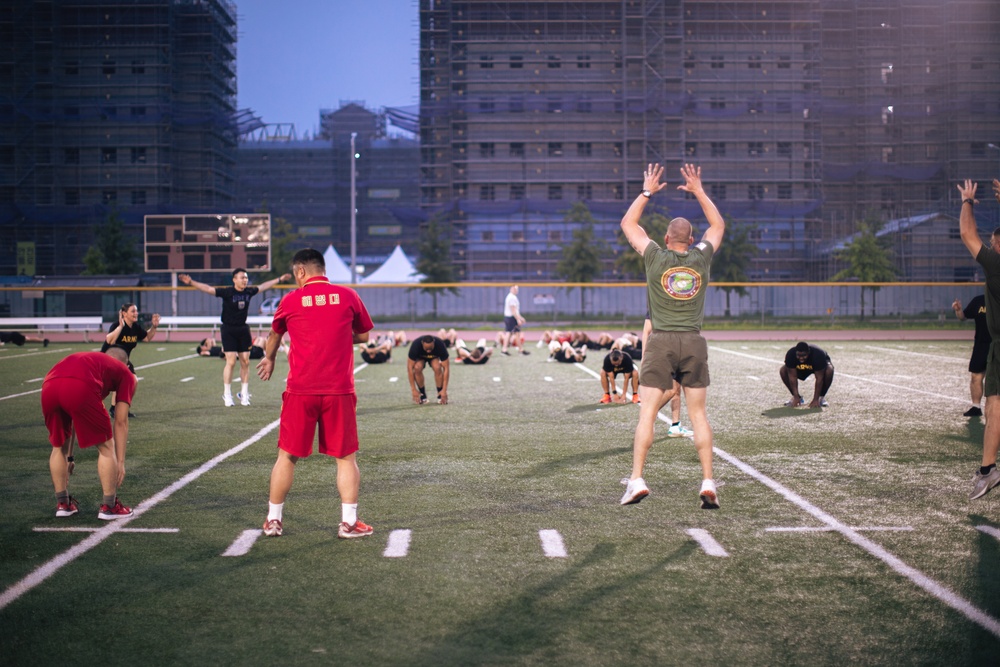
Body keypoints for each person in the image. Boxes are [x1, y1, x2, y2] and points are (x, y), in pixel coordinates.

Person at [618, 162, 725, 510]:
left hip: (661, 340)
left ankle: (636, 480)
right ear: (691, 240)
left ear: (666, 238)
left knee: (647, 414)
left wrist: (647, 190)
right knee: (698, 416)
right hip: (693, 341)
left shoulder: (654, 256)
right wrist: (698, 190)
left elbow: (628, 224)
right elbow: (718, 225)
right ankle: (708, 480)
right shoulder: (701, 257)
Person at [255, 248, 375, 538]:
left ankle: (273, 520)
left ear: (300, 272)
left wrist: (269, 359)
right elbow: (364, 336)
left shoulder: (291, 300)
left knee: (286, 456)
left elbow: (274, 336)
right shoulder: (347, 296)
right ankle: (348, 523)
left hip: (300, 390)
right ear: (322, 269)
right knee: (346, 458)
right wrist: (336, 334)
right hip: (338, 390)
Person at [41, 347, 136, 520]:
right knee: (107, 447)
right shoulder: (126, 373)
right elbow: (121, 421)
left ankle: (63, 504)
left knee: (58, 446)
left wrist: (70, 456)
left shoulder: (96, 363)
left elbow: (76, 414)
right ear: (126, 364)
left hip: (49, 384)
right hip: (80, 385)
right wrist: (121, 462)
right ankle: (110, 506)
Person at [180, 268, 290, 407]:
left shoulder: (248, 292)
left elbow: (263, 286)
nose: (245, 280)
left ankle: (244, 394)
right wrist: (191, 282)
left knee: (245, 361)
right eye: (242, 277)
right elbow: (207, 289)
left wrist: (279, 279)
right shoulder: (227, 292)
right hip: (228, 329)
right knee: (231, 361)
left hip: (243, 329)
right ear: (234, 279)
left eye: (246, 277)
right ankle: (227, 394)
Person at [958, 177, 1000, 500]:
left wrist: (967, 201)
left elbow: (966, 234)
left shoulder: (996, 265)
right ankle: (987, 470)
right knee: (994, 405)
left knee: (996, 406)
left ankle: (988, 470)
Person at [641, 316, 692, 438]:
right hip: (667, 352)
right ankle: (648, 415)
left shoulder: (679, 305)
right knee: (671, 389)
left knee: (676, 390)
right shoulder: (658, 306)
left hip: (679, 350)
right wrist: (644, 355)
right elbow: (646, 331)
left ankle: (675, 426)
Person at [953, 295, 991, 417]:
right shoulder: (979, 300)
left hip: (997, 344)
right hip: (981, 345)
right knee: (976, 376)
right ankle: (976, 407)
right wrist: (958, 310)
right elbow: (963, 317)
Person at [101, 302, 160, 372]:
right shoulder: (116, 325)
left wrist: (154, 327)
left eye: (136, 311)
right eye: (133, 311)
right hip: (107, 362)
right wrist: (121, 326)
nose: (136, 313)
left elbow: (147, 338)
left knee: (133, 380)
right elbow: (109, 341)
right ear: (124, 313)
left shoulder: (135, 327)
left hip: (123, 361)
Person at [780, 342, 834, 408]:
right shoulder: (791, 354)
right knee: (783, 370)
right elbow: (792, 377)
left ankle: (821, 398)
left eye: (803, 355)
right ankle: (798, 398)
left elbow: (819, 379)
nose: (801, 358)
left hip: (815, 367)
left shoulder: (818, 354)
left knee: (829, 370)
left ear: (808, 352)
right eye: (798, 355)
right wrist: (796, 396)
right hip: (800, 368)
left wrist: (815, 399)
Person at [407, 334, 450, 404]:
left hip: (434, 357)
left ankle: (440, 394)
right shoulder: (415, 345)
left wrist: (444, 390)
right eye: (426, 349)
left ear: (434, 343)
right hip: (420, 358)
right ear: (422, 344)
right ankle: (422, 395)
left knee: (437, 367)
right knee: (417, 368)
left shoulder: (440, 344)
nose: (428, 351)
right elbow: (410, 368)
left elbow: (446, 368)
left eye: (430, 348)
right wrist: (413, 389)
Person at [499, 285, 528, 355]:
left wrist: (520, 317)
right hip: (511, 318)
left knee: (511, 333)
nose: (516, 290)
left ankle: (506, 349)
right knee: (513, 333)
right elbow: (513, 310)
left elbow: (515, 310)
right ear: (511, 289)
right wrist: (518, 319)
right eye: (514, 289)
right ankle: (519, 350)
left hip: (510, 317)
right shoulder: (512, 298)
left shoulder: (511, 297)